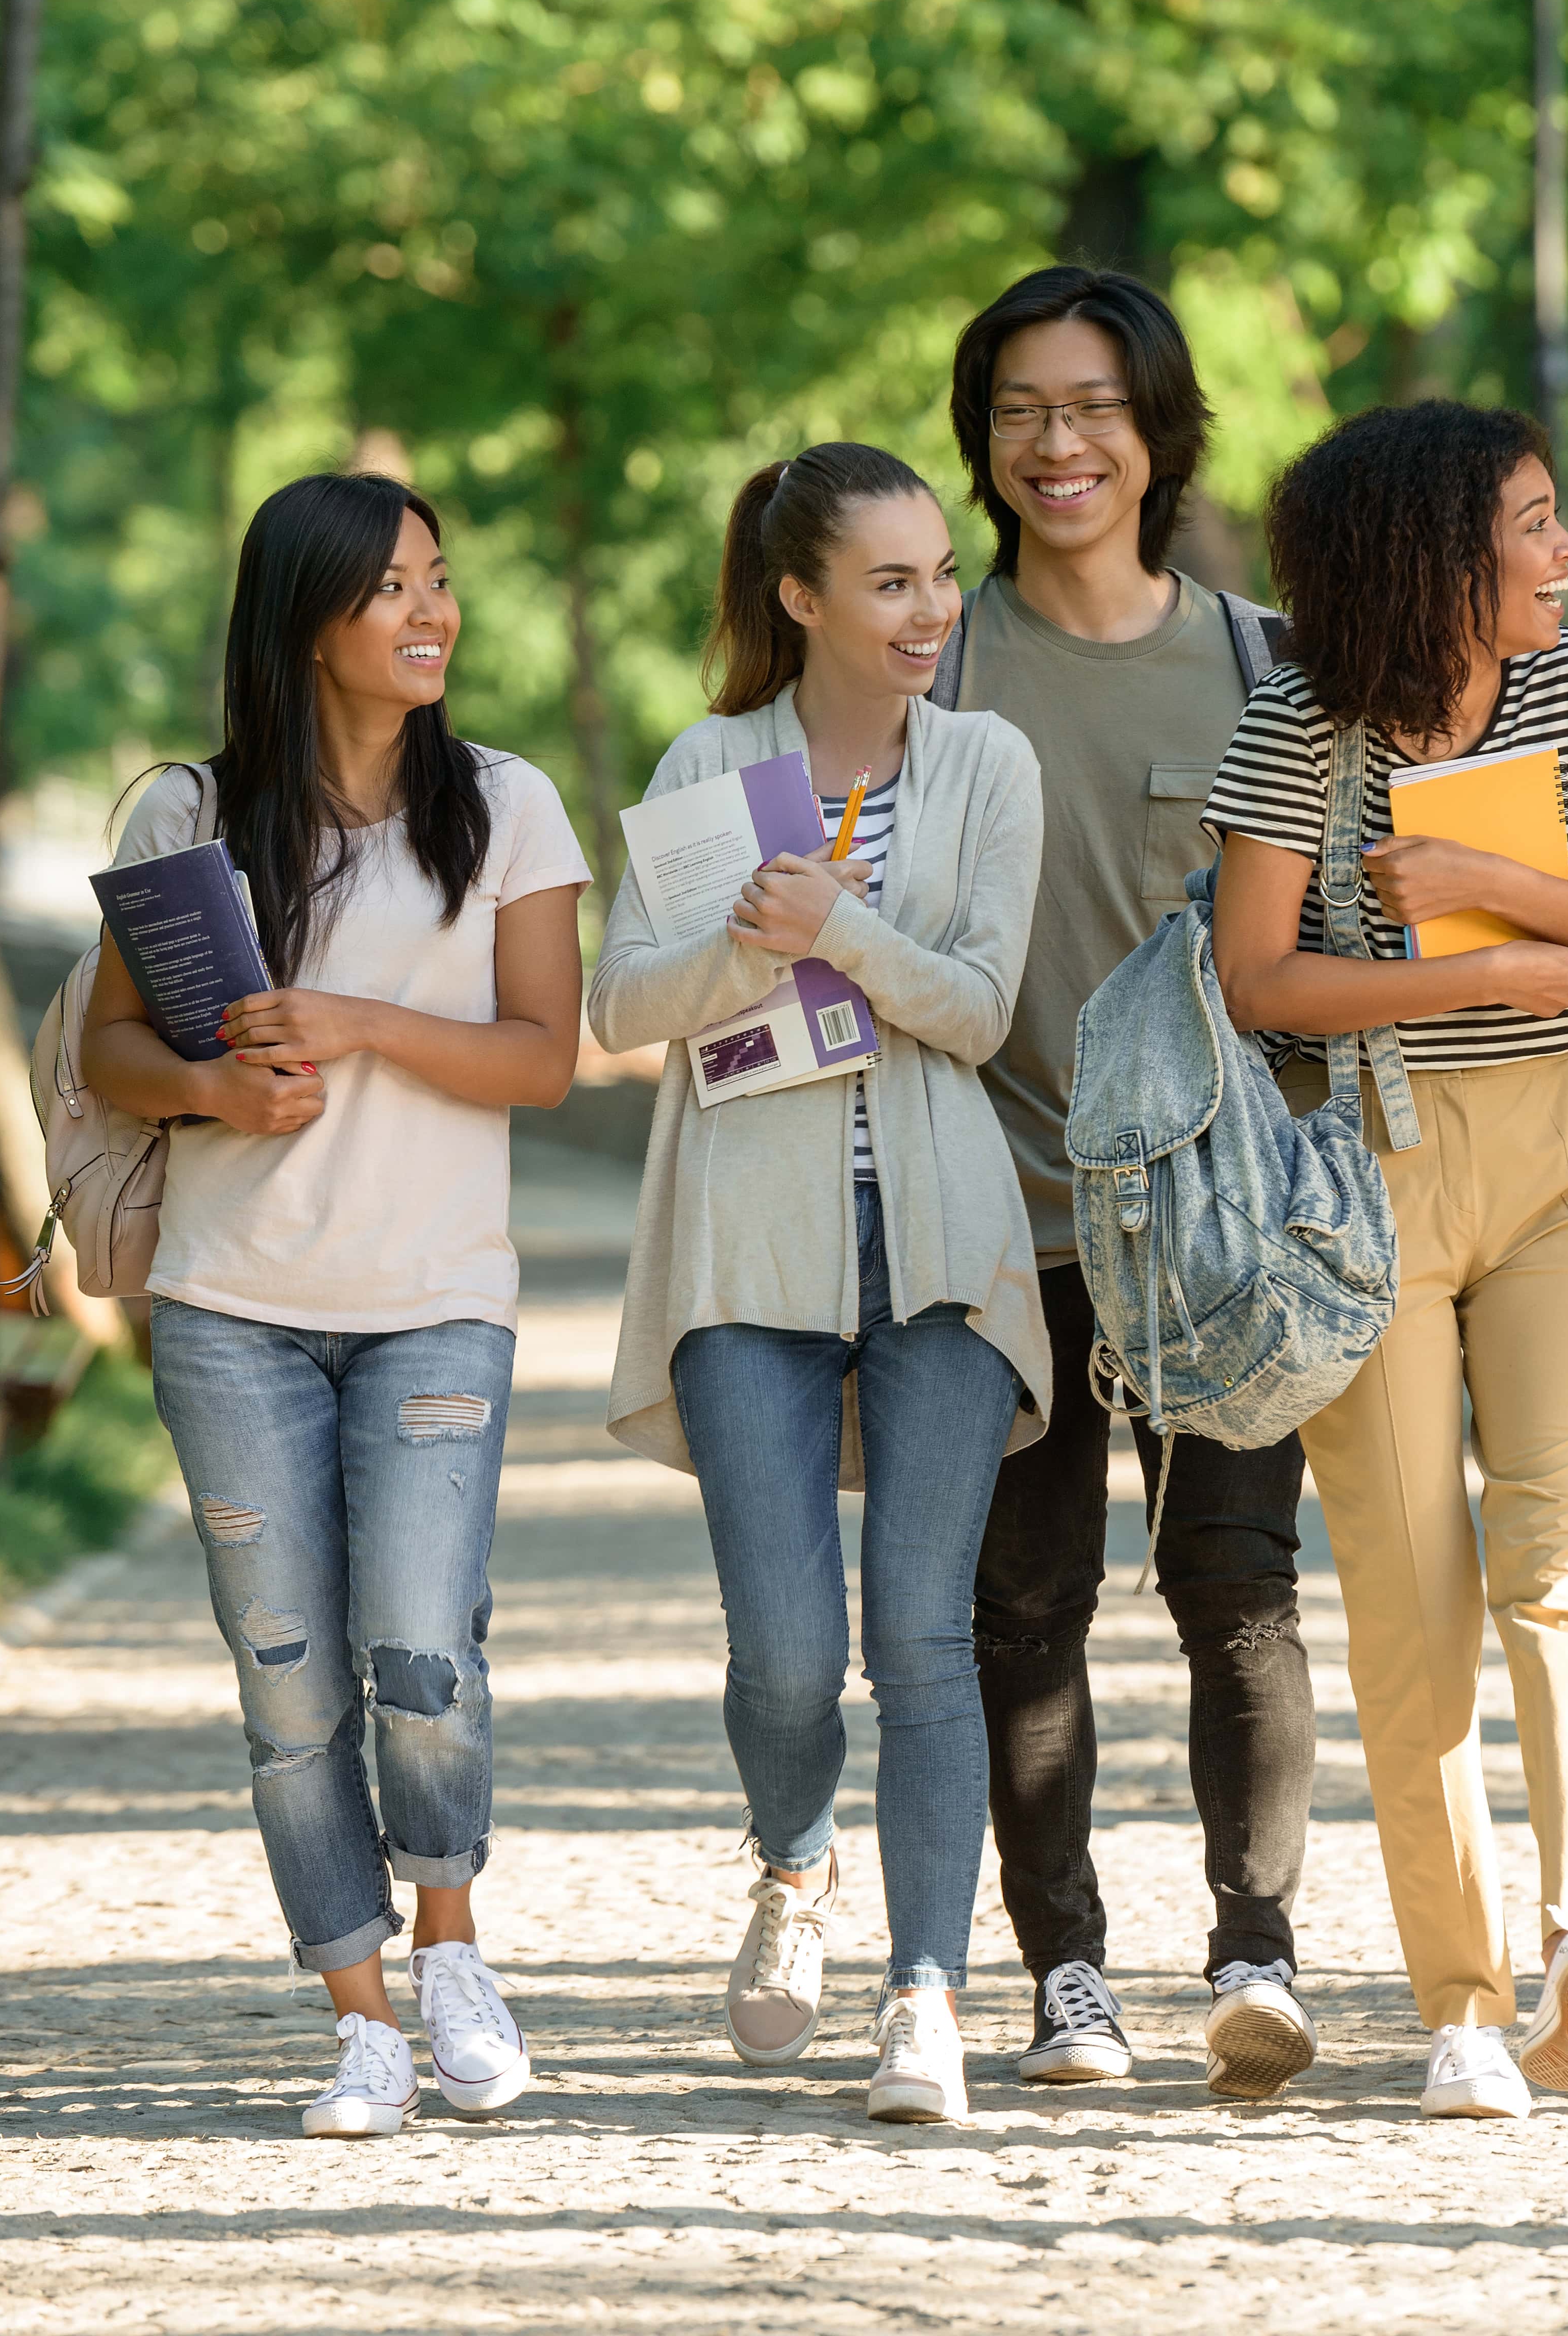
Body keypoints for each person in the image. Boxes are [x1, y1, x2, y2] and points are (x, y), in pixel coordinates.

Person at [81, 472, 590, 2139]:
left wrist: (362, 1023)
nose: (430, 612)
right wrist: (217, 1095)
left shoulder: (506, 806)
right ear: (304, 622)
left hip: (437, 1298)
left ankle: (453, 1951)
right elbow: (109, 1056)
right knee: (289, 1678)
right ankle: (359, 2012)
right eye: (389, 590)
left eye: (439, 579)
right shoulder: (187, 817)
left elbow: (542, 1056)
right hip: (231, 1306)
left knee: (422, 1650)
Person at [1206, 399, 1568, 2120]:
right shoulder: (1297, 729)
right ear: (1434, 557)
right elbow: (1259, 978)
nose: (1566, 554)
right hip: (1366, 1178)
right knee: (1413, 1605)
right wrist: (1461, 974)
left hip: (1555, 1158)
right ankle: (1464, 2004)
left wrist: (1497, 886)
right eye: (1536, 526)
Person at [591, 442, 1048, 2125]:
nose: (930, 610)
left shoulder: (988, 763)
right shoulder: (713, 762)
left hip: (940, 1241)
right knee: (786, 1655)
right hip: (747, 1242)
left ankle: (926, 1988)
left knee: (922, 1637)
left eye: (941, 576)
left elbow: (984, 1009)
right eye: (891, 582)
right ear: (801, 599)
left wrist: (843, 931)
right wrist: (749, 946)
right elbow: (626, 1007)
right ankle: (796, 1865)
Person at [934, 266, 1329, 2099]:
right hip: (996, 1223)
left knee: (1236, 1585)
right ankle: (1064, 1974)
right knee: (1023, 1609)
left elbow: (1325, 935)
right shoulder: (927, 665)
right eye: (1020, 410)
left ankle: (1256, 1952)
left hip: (1214, 1242)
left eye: (1091, 406)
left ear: (1159, 430)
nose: (1056, 443)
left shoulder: (1267, 666)